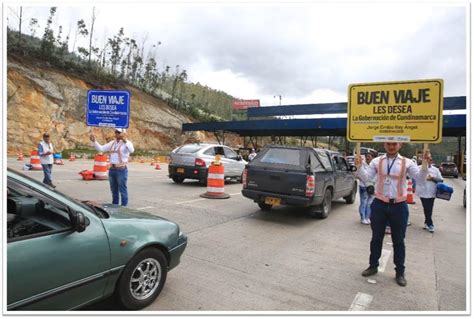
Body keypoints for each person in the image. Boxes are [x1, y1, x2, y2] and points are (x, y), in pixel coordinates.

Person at [355, 142, 429, 287]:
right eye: (388, 143)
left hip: (399, 206)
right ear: (384, 144)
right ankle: (373, 265)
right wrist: (359, 166)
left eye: (394, 143)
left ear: (400, 145)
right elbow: (366, 177)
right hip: (379, 204)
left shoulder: (407, 162)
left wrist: (425, 165)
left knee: (399, 241)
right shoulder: (377, 161)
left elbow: (420, 179)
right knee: (376, 238)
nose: (391, 146)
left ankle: (400, 272)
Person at [90, 128, 134, 206]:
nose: (116, 133)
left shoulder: (127, 143)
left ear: (123, 134)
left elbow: (131, 150)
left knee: (122, 190)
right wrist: (94, 141)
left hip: (121, 170)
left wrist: (125, 140)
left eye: (118, 132)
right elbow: (101, 149)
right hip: (112, 169)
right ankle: (115, 205)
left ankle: (124, 208)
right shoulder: (112, 143)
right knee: (114, 190)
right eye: (116, 132)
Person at [414, 155, 443, 233]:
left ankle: (426, 223)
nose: (428, 161)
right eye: (426, 160)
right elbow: (414, 178)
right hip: (422, 191)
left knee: (429, 208)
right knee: (427, 207)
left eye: (429, 160)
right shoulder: (418, 168)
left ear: (431, 161)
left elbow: (441, 180)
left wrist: (433, 178)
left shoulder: (435, 170)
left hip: (432, 191)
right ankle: (430, 224)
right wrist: (423, 178)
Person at [357, 152, 375, 225]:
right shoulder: (362, 164)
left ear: (372, 157)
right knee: (363, 203)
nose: (368, 158)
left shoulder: (374, 165)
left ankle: (367, 217)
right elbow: (358, 174)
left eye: (369, 156)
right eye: (367, 156)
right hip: (363, 186)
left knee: (370, 203)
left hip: (371, 187)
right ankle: (363, 218)